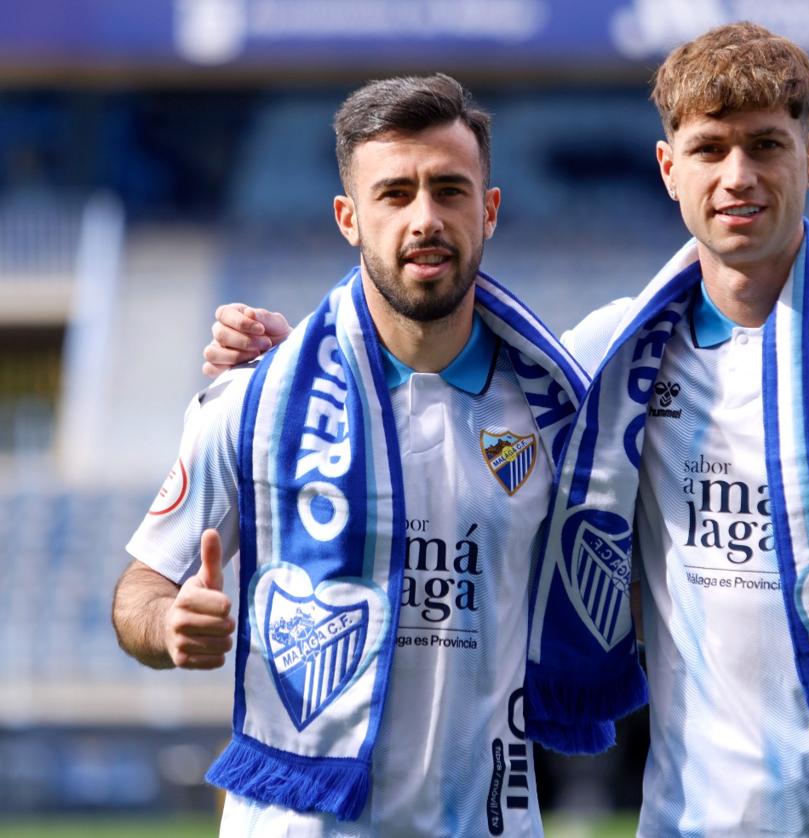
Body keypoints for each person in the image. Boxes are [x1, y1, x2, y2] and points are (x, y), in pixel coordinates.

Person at [206, 23, 809, 837]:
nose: (738, 176)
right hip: (694, 817)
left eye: (766, 145)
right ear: (670, 168)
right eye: (709, 149)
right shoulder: (611, 359)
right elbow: (431, 365)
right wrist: (300, 359)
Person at [112, 73, 592, 836]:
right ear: (349, 218)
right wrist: (170, 623)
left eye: (450, 190)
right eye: (395, 194)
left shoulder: (562, 416)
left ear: (490, 210)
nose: (425, 219)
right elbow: (137, 590)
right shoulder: (254, 404)